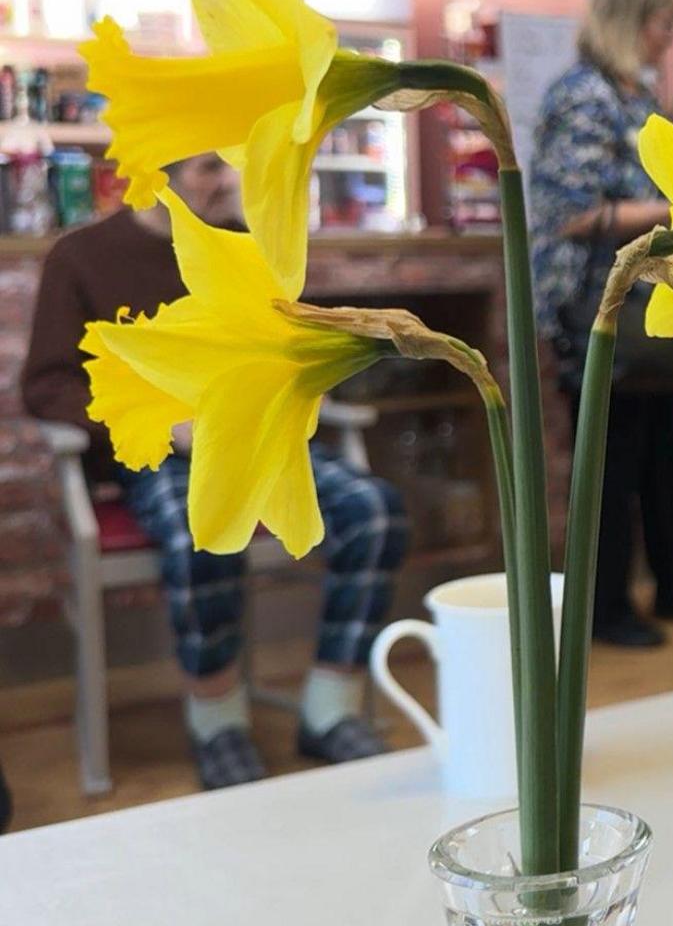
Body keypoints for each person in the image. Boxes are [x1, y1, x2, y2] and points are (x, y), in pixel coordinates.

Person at [21, 153, 407, 791]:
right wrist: (165, 430)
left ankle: (329, 706)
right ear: (160, 174)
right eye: (208, 168)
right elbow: (46, 384)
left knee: (377, 511)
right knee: (197, 534)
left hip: (259, 434)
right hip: (158, 457)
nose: (228, 180)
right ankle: (217, 719)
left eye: (231, 167)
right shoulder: (81, 257)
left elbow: (284, 352)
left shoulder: (243, 248)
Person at [529, 0, 673, 649]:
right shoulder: (584, 97)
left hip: (654, 308)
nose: (669, 37)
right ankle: (607, 608)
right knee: (609, 466)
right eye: (661, 23)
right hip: (597, 309)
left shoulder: (638, 99)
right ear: (627, 20)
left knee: (670, 455)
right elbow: (568, 214)